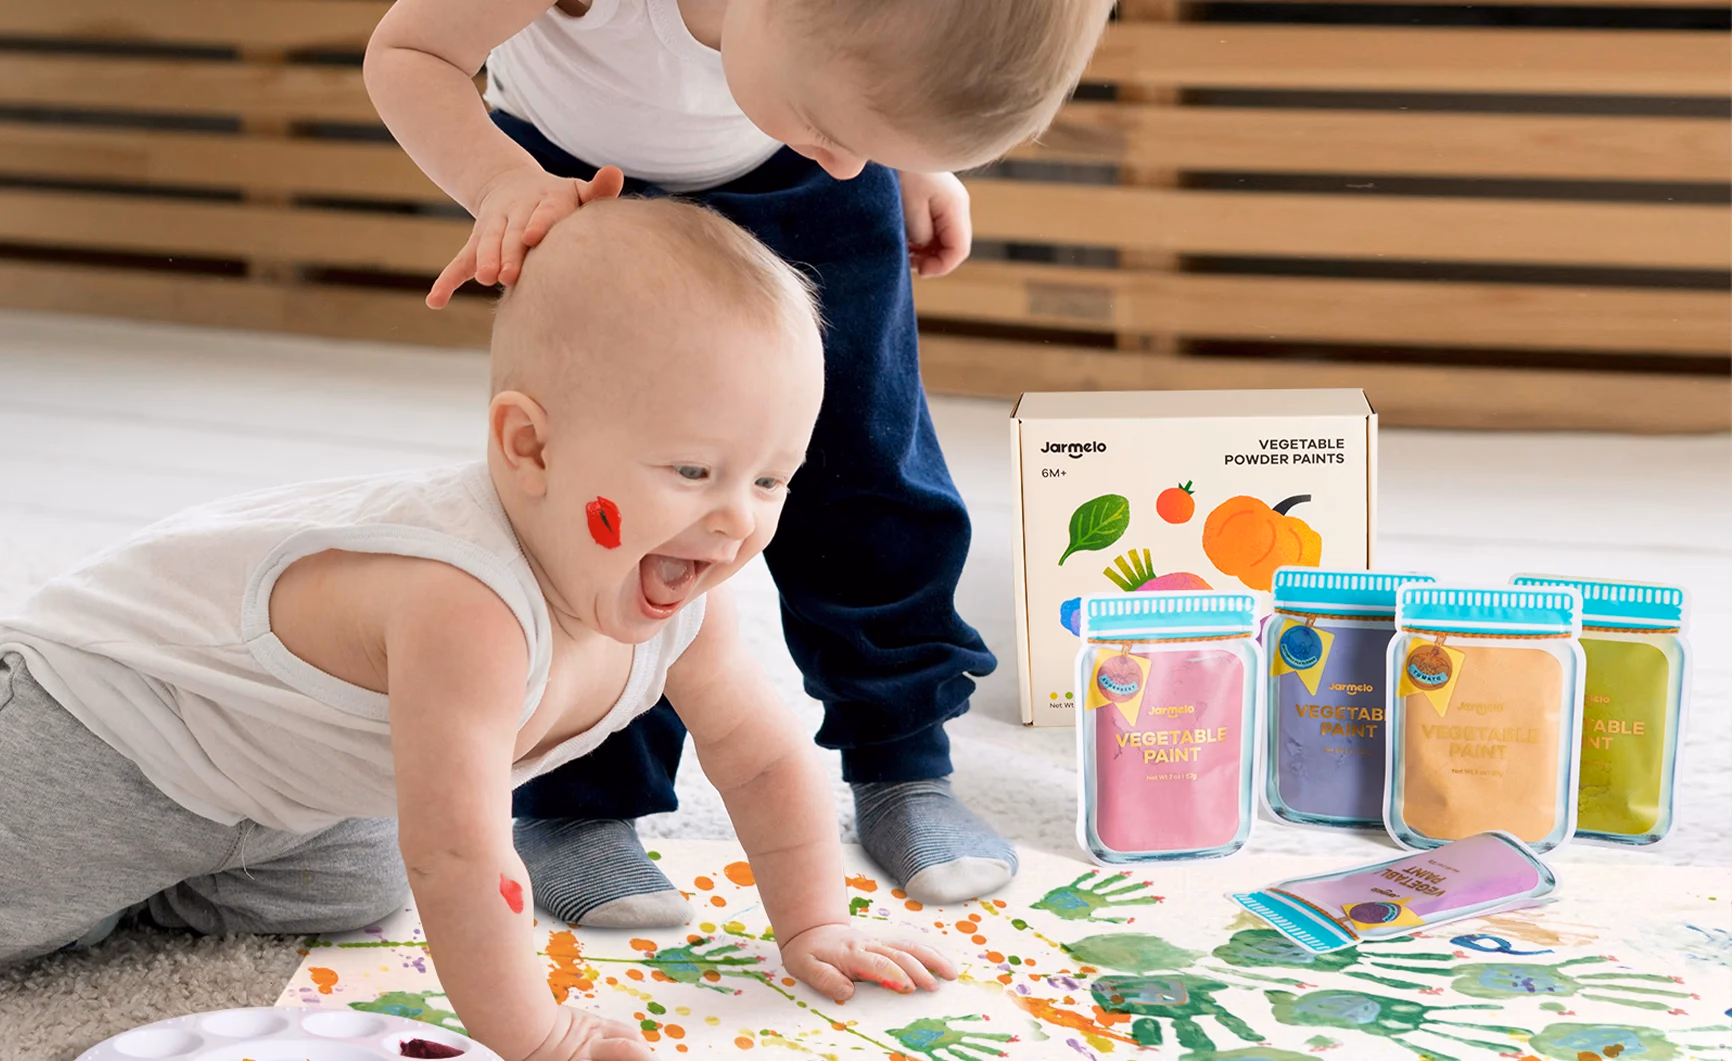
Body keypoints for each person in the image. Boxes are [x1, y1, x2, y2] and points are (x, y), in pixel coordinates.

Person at [0, 198, 953, 1061]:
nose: (738, 519)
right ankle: (102, 872)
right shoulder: (466, 603)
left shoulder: (686, 598)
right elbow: (462, 857)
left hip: (278, 796)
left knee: (360, 887)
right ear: (530, 447)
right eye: (696, 472)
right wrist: (537, 1034)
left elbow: (760, 757)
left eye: (769, 479)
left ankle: (147, 881)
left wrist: (814, 921)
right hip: (92, 729)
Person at [364, 0, 1114, 923]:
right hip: (588, 192)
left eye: (864, 140)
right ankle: (577, 799)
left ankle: (904, 761)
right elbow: (406, 53)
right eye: (847, 133)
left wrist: (906, 151)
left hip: (806, 202)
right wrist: (497, 184)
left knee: (872, 469)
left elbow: (876, 65)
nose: (853, 158)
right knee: (612, 508)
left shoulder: (837, 128)